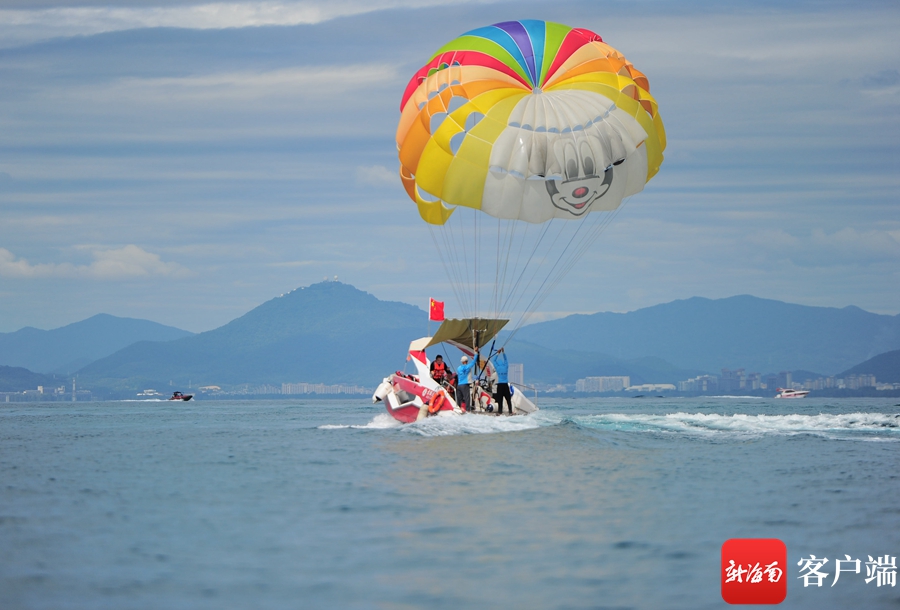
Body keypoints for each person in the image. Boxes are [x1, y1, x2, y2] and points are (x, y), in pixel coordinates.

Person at [489, 347, 513, 415]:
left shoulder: (497, 367)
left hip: (500, 385)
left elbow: (494, 361)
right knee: (508, 399)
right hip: (505, 385)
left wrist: (497, 353)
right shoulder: (505, 366)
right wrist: (503, 352)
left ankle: (500, 412)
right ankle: (510, 411)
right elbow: (506, 360)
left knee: (500, 399)